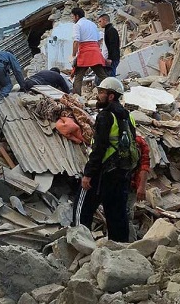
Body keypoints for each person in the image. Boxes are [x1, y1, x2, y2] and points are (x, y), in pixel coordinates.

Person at [73, 77, 135, 242]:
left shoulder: (106, 116)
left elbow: (99, 148)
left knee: (82, 207)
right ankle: (119, 247)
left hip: (103, 172)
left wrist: (88, 174)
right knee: (117, 213)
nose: (98, 95)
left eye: (102, 92)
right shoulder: (127, 116)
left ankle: (79, 242)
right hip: (122, 172)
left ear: (111, 96)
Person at [70, 7, 108, 95]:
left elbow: (76, 41)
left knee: (78, 76)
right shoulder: (93, 24)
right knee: (103, 76)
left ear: (77, 16)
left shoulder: (77, 25)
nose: (72, 19)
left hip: (85, 52)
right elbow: (99, 40)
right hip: (95, 52)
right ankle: (111, 90)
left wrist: (73, 55)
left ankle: (77, 97)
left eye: (73, 17)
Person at [127, 135, 150, 242]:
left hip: (130, 186)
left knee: (126, 215)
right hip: (115, 184)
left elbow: (144, 165)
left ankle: (130, 243)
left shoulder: (139, 142)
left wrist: (141, 187)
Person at [97, 14, 121, 78]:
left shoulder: (111, 30)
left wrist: (110, 58)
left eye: (100, 21)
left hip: (111, 60)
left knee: (110, 78)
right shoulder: (108, 30)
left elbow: (113, 45)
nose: (99, 24)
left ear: (105, 20)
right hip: (108, 59)